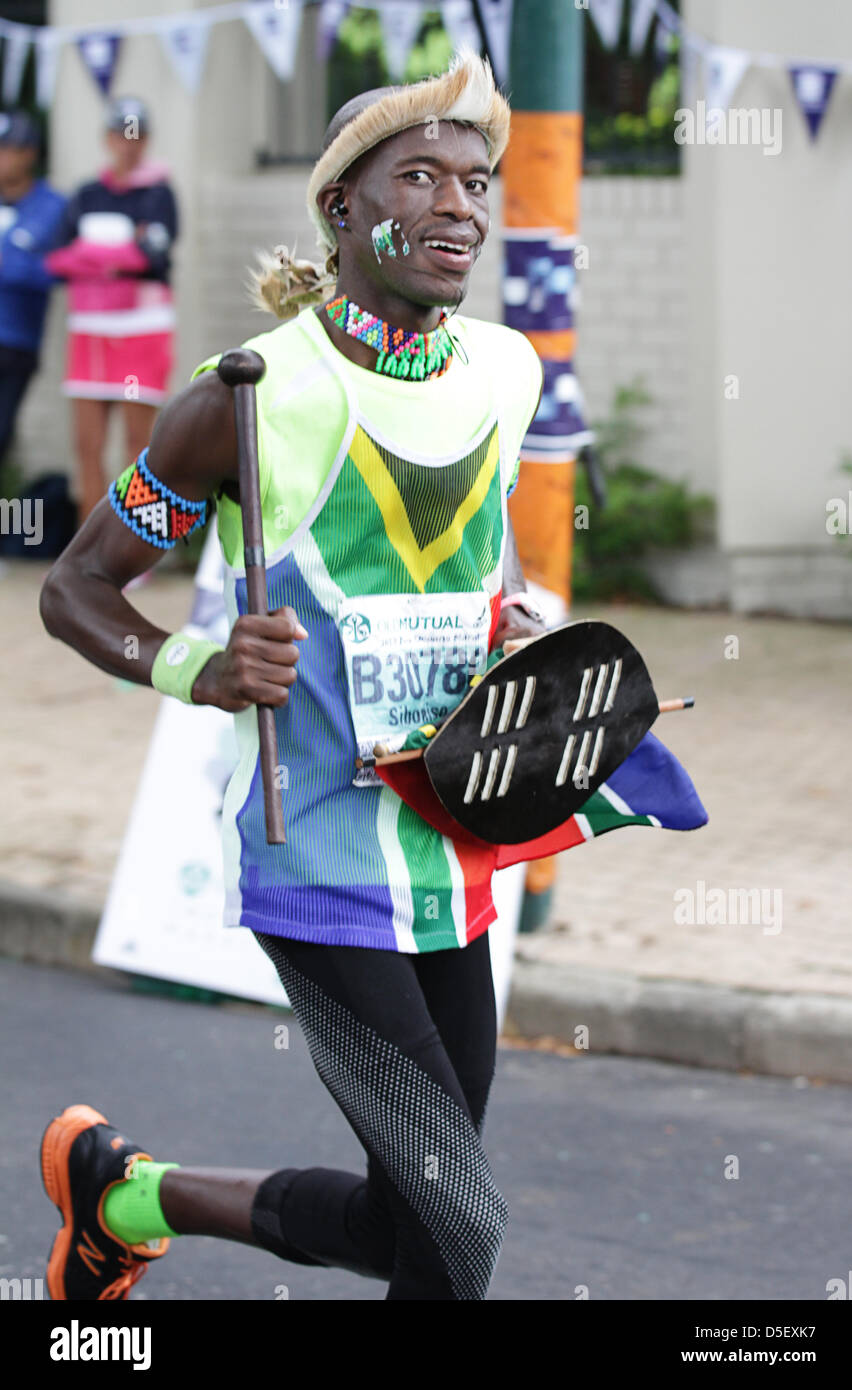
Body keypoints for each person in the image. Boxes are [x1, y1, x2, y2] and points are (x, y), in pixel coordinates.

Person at [38, 52, 550, 1302]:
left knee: (422, 1215)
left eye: (474, 182)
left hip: (451, 839)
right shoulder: (245, 399)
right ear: (338, 208)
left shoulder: (503, 370)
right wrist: (200, 666)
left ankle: (126, 1196)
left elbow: (490, 551)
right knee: (461, 1224)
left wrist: (520, 618)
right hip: (314, 846)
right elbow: (74, 591)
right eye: (416, 176)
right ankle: (124, 1196)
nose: (455, 208)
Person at [44, 96, 178, 528]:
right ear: (107, 138)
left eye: (136, 133)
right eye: (121, 133)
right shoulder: (87, 194)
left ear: (147, 139)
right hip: (90, 337)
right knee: (88, 444)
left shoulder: (159, 194)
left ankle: (131, 547)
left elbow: (154, 258)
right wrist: (119, 254)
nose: (128, 143)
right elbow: (58, 260)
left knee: (137, 444)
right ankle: (89, 547)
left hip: (140, 338)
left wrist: (94, 255)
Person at [0, 111, 66, 466]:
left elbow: (57, 269)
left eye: (6, 149)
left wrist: (12, 266)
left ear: (29, 154)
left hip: (14, 341)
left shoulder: (52, 206)